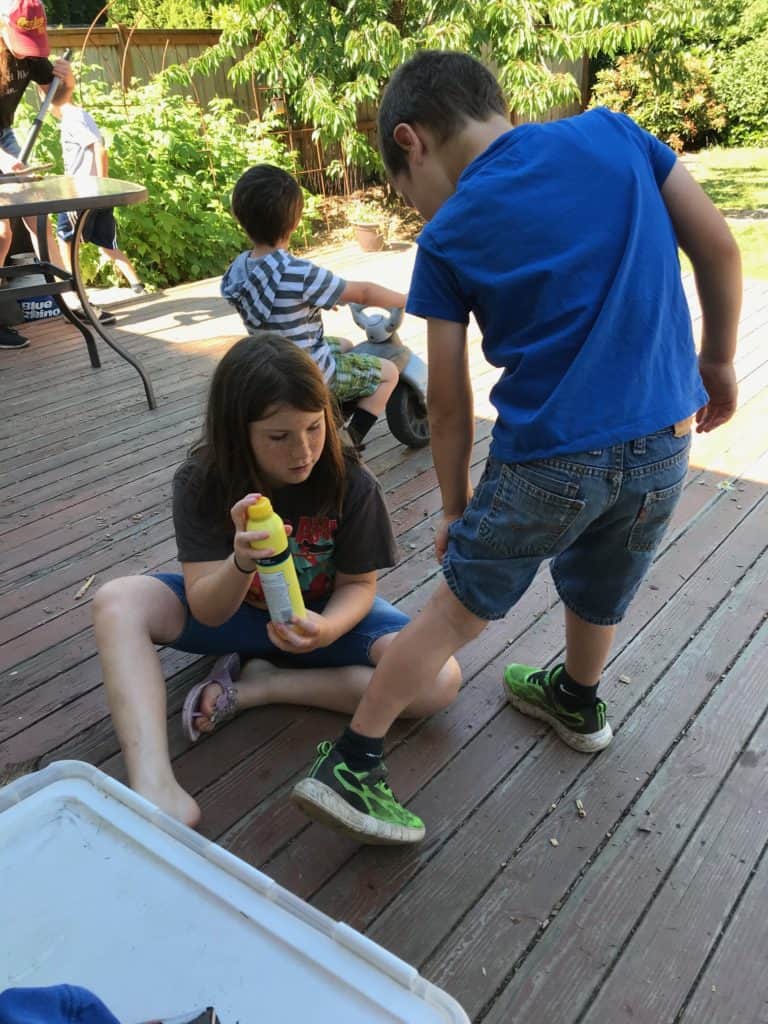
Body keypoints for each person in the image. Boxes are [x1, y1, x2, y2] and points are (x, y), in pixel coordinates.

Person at [289, 50, 743, 844]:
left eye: (403, 187)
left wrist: (458, 507)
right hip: (668, 443)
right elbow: (719, 248)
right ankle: (576, 696)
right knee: (605, 574)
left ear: (412, 141)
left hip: (549, 460)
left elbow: (453, 396)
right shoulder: (616, 135)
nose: (416, 205)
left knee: (457, 611)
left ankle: (353, 758)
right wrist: (717, 362)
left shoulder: (450, 234)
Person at [93, 333, 460, 830]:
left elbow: (358, 586)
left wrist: (328, 628)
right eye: (279, 436)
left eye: (314, 428)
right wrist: (239, 563)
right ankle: (154, 785)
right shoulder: (203, 479)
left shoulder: (350, 481)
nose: (303, 450)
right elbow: (207, 609)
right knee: (117, 601)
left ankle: (262, 687)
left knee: (439, 680)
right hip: (234, 617)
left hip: (323, 619)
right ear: (237, 433)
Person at [221, 164, 407, 448]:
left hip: (269, 365)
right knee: (389, 374)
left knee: (344, 343)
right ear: (295, 222)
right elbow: (364, 293)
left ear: (239, 217)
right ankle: (347, 443)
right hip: (309, 373)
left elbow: (278, 300)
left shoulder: (238, 270)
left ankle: (333, 410)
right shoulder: (299, 272)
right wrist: (409, 299)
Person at [0, 0, 74, 349]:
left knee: (36, 215)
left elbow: (58, 101)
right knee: (0, 231)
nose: (28, 51)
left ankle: (70, 299)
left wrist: (65, 82)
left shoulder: (30, 53)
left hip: (3, 135)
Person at [50, 93, 145, 296]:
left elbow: (100, 150)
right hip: (97, 192)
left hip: (82, 192)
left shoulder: (72, 118)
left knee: (65, 239)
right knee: (106, 243)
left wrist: (102, 185)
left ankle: (74, 290)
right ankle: (137, 285)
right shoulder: (82, 114)